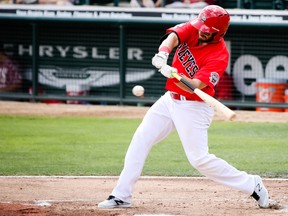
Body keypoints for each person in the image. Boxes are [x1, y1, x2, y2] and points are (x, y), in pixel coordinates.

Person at [98, 5, 271, 209]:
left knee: (199, 160)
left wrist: (173, 75)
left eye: (206, 32)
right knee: (141, 139)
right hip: (169, 100)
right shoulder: (196, 27)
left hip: (194, 107)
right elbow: (173, 38)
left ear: (218, 34)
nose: (200, 31)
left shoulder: (219, 55)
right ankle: (121, 196)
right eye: (201, 27)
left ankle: (252, 184)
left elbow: (195, 86)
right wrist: (163, 54)